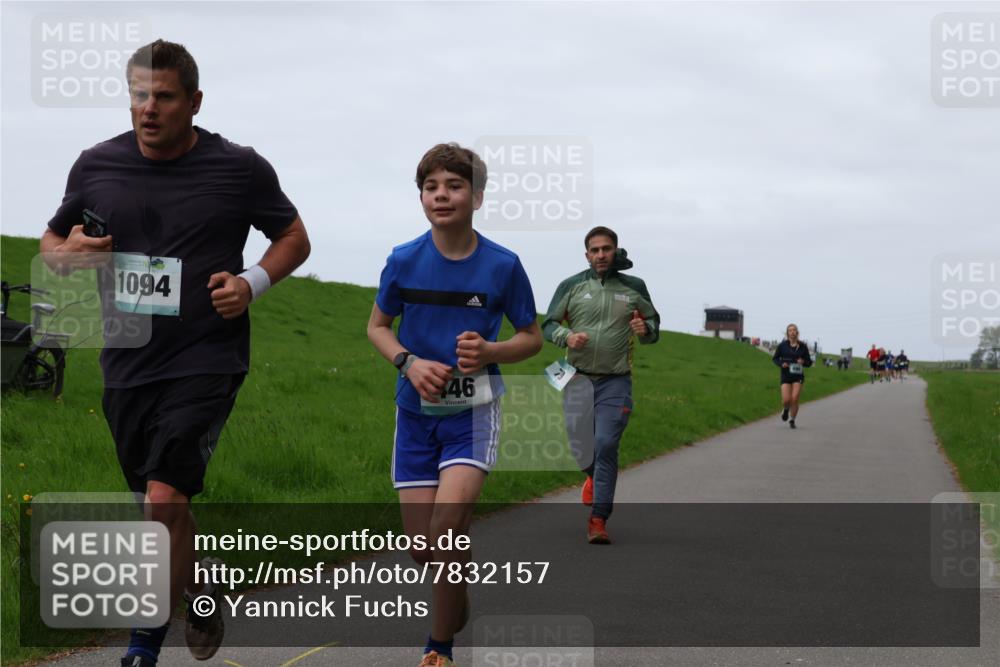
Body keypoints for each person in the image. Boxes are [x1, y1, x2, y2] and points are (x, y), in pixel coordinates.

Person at [39, 40, 310, 667]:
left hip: (206, 357)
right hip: (127, 361)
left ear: (194, 101)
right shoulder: (96, 165)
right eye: (139, 95)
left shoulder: (239, 167)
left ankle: (142, 646)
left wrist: (251, 283)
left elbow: (293, 235)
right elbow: (54, 241)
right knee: (159, 506)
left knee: (163, 499)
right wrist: (69, 254)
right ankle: (202, 585)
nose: (148, 109)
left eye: (163, 97)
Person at [366, 143, 542, 667]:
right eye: (431, 186)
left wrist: (492, 351)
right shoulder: (403, 260)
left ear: (478, 196)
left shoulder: (503, 266)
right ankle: (456, 602)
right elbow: (377, 327)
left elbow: (531, 337)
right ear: (421, 196)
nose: (441, 195)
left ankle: (438, 646)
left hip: (472, 413)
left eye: (454, 185)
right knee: (425, 549)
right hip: (415, 415)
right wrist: (408, 363)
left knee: (446, 531)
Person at [542, 226, 660, 544]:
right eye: (594, 250)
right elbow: (547, 324)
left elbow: (653, 327)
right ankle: (595, 478)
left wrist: (644, 327)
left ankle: (598, 519)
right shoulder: (571, 286)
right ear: (586, 254)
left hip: (615, 379)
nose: (600, 255)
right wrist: (567, 336)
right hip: (575, 376)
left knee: (606, 443)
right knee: (581, 449)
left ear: (615, 250)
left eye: (606, 249)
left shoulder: (634, 287)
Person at [772, 324, 813, 429]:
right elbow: (775, 358)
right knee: (786, 400)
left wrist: (803, 361)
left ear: (797, 332)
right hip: (786, 374)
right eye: (790, 330)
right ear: (787, 333)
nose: (792, 332)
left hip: (797, 375)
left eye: (794, 330)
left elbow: (809, 362)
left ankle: (792, 420)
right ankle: (786, 409)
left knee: (794, 398)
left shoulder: (803, 346)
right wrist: (782, 364)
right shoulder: (782, 346)